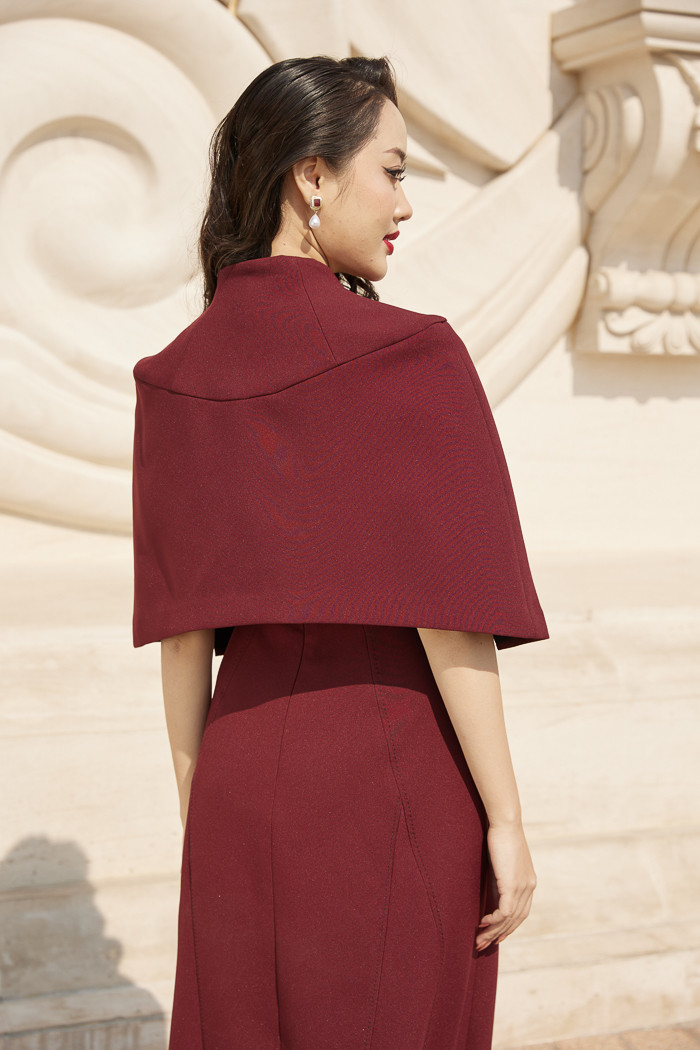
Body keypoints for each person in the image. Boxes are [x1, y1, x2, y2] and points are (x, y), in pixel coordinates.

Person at [131, 55, 549, 1050]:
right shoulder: (410, 355)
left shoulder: (172, 377)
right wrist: (506, 818)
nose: (405, 203)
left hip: (235, 782)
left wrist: (206, 821)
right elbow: (450, 619)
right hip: (388, 774)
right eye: (393, 170)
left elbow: (183, 641)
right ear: (311, 176)